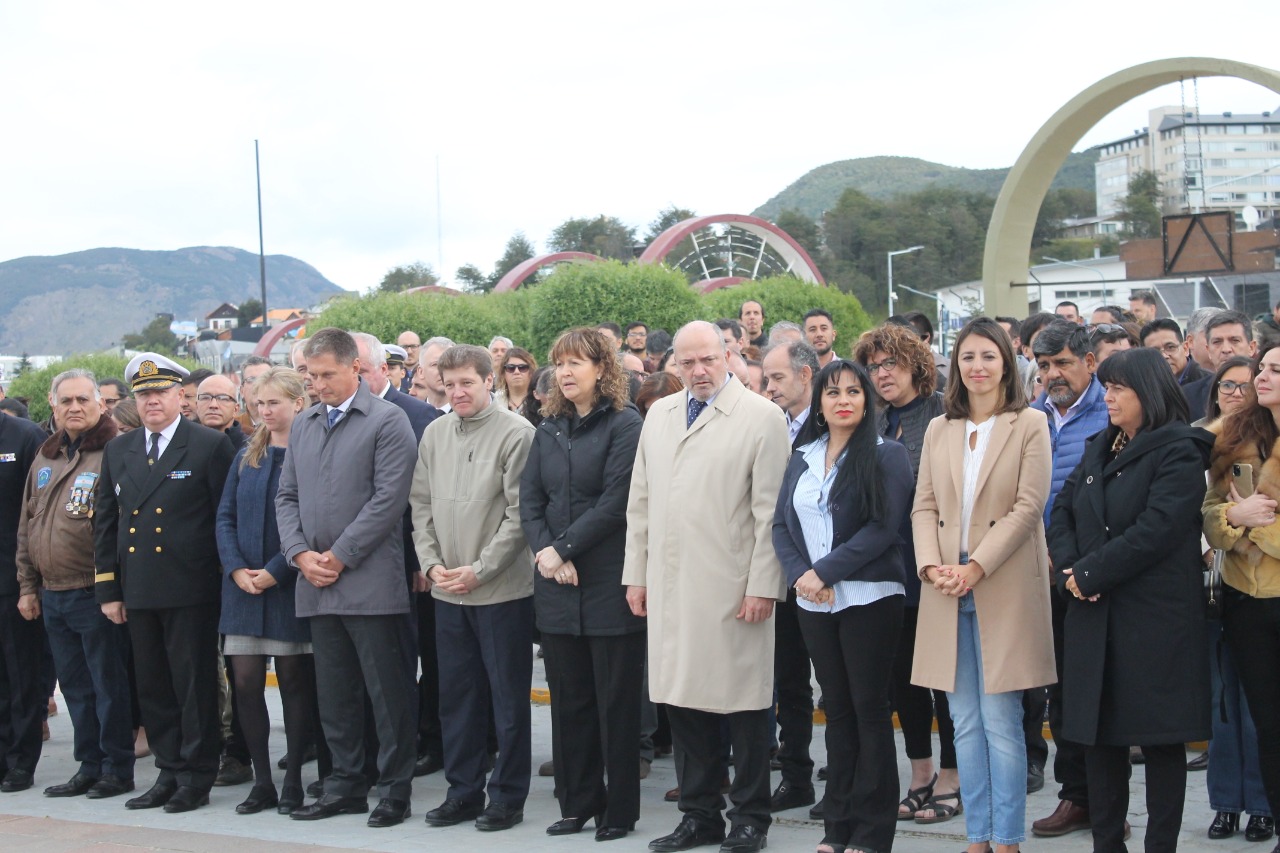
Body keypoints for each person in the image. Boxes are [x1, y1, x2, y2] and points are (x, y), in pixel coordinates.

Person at [623, 320, 790, 853]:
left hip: (734, 587)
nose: (697, 371)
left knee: (743, 708)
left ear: (729, 355)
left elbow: (771, 514)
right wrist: (636, 575)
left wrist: (764, 585)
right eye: (686, 362)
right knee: (684, 702)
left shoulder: (761, 418)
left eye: (707, 360)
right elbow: (640, 503)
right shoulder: (661, 415)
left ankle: (750, 817)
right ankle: (699, 815)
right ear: (674, 363)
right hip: (671, 585)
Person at [1049, 347, 1212, 853]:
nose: (1109, 396)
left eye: (1119, 388)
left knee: (1160, 739)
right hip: (1093, 613)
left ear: (1149, 392)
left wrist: (1093, 571)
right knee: (1098, 738)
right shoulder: (1103, 445)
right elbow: (1063, 512)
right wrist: (1071, 572)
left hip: (1153, 621)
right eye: (1108, 387)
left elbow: (1157, 530)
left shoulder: (1179, 450)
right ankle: (1106, 844)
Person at [911, 317, 1055, 853]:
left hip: (1002, 584)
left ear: (1007, 364)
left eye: (988, 357)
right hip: (945, 586)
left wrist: (977, 567)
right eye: (967, 357)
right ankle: (978, 836)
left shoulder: (1030, 424)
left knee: (1001, 721)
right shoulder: (938, 428)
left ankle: (1008, 837)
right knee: (963, 721)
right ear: (955, 365)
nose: (977, 367)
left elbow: (1027, 508)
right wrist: (932, 568)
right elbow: (924, 505)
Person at [274, 328, 419, 828]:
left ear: (355, 367)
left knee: (387, 693)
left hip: (370, 582)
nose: (317, 385)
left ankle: (395, 790)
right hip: (315, 582)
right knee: (334, 694)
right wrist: (298, 554)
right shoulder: (305, 424)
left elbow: (388, 500)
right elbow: (286, 496)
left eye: (326, 375)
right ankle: (345, 785)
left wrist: (338, 555)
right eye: (310, 376)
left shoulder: (388, 420)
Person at [773, 358, 913, 853]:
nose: (844, 400)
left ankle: (872, 834)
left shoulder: (886, 455)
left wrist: (824, 572)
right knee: (837, 714)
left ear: (867, 400)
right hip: (814, 603)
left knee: (869, 710)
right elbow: (780, 526)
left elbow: (882, 529)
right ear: (820, 402)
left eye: (854, 391)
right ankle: (838, 828)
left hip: (870, 599)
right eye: (833, 393)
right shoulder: (803, 456)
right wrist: (801, 578)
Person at [94, 352, 237, 813]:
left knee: (192, 686)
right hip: (139, 588)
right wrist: (109, 589)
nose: (151, 401)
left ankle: (197, 775)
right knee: (153, 686)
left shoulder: (207, 446)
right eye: (143, 395)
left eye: (159, 392)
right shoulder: (121, 448)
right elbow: (106, 524)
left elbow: (224, 518)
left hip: (190, 588)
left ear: (181, 396)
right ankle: (169, 770)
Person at [518, 328, 644, 841]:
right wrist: (549, 554)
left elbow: (617, 502)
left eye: (577, 363)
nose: (565, 372)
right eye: (559, 363)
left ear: (602, 368)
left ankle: (619, 812)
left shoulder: (624, 424)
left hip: (608, 583)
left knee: (615, 705)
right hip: (557, 586)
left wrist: (561, 549)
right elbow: (529, 501)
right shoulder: (546, 427)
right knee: (569, 702)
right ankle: (577, 803)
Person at [411, 344, 536, 833]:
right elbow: (419, 506)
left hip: (500, 591)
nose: (458, 391)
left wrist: (480, 569)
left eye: (468, 381)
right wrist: (432, 564)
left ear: (490, 380)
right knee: (456, 698)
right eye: (450, 382)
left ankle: (507, 796)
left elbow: (520, 514)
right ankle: (462, 791)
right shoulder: (435, 433)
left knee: (507, 701)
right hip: (447, 590)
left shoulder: (517, 433)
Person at [852, 322, 959, 824]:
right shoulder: (871, 420)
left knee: (943, 678)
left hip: (934, 564)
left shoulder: (941, 412)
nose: (881, 374)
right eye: (873, 366)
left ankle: (952, 776)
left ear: (914, 364)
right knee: (904, 678)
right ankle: (919, 771)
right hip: (884, 567)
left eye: (889, 363)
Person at [16, 369, 134, 801]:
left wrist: (115, 590)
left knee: (108, 685)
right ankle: (89, 764)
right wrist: (28, 585)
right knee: (76, 689)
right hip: (53, 591)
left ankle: (117, 768)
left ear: (100, 404)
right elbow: (28, 524)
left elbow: (122, 527)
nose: (75, 408)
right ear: (53, 405)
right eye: (66, 401)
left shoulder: (115, 451)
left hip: (94, 590)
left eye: (84, 400)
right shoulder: (46, 456)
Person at [215, 367, 318, 816]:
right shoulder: (247, 455)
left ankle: (294, 777)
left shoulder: (312, 452)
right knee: (245, 683)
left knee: (295, 683)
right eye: (259, 403)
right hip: (243, 589)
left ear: (298, 402)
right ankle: (262, 781)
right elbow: (225, 517)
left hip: (288, 583)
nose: (265, 411)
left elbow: (313, 522)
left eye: (273, 402)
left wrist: (277, 570)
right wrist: (236, 568)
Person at [1024, 321, 1112, 840]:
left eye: (1063, 363)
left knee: (1099, 693)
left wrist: (1079, 559)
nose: (1053, 374)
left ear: (1089, 363)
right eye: (1044, 365)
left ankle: (1107, 801)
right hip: (1038, 575)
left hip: (1092, 573)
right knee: (1058, 692)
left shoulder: (1113, 412)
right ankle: (1074, 795)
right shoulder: (1030, 417)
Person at [1194, 356, 1274, 842]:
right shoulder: (1217, 437)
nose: (1256, 381)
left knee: (1262, 714)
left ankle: (1261, 807)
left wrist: (1251, 525)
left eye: (1272, 371)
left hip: (1265, 585)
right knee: (1238, 710)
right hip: (1231, 591)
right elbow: (1207, 513)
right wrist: (1232, 523)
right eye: (1230, 383)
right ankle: (1234, 804)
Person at [0, 383, 53, 793]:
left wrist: (28, 584)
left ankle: (20, 761)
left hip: (12, 580)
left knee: (21, 675)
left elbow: (38, 512)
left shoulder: (23, 437)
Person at [494, 347, 537, 414]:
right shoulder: (495, 402)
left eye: (522, 368)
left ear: (531, 372)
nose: (516, 372)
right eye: (511, 368)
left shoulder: (539, 401)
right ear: (503, 373)